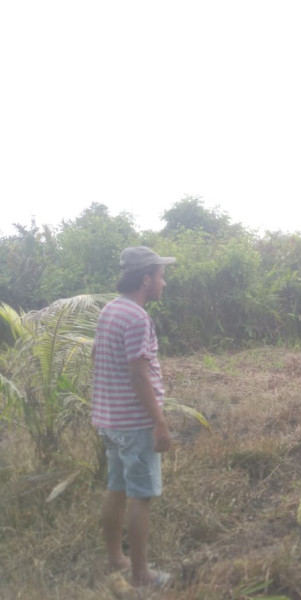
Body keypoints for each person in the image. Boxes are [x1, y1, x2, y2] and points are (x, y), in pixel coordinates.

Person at [91, 246, 175, 589]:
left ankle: (116, 558)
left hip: (110, 420)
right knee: (141, 495)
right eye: (160, 276)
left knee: (116, 487)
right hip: (136, 423)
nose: (163, 283)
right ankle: (141, 575)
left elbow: (97, 355)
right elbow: (139, 374)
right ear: (145, 279)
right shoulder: (138, 318)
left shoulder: (110, 310)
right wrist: (159, 421)